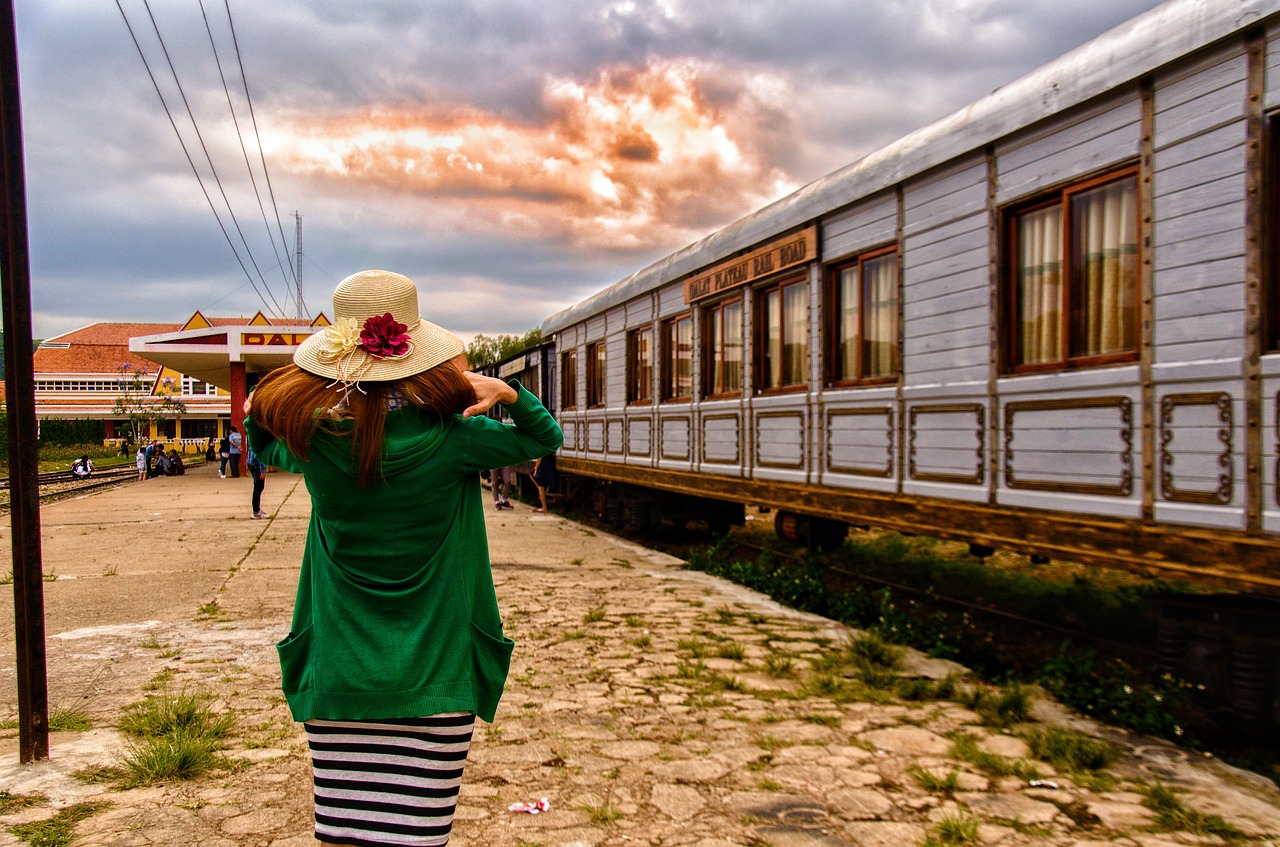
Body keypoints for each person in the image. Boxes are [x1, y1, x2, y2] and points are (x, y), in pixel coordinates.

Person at [243, 269, 562, 847]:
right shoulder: (459, 438)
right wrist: (510, 393)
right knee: (418, 834)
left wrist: (274, 394)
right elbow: (544, 440)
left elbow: (258, 442)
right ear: (419, 355)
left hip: (339, 673)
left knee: (345, 832)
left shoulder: (315, 441)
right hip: (438, 675)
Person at [247, 445, 266, 519]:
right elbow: (260, 453)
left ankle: (257, 509)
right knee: (258, 487)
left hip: (251, 462)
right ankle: (256, 511)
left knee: (258, 487)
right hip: (256, 464)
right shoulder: (260, 438)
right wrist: (263, 469)